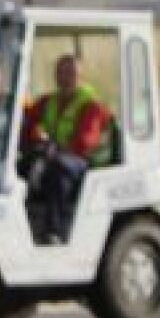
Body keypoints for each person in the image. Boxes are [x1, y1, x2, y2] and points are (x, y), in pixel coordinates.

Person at [20, 54, 114, 242]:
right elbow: (27, 120)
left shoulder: (92, 106)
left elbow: (85, 143)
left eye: (70, 73)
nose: (64, 78)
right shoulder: (49, 101)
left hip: (82, 160)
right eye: (60, 73)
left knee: (58, 172)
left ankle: (55, 231)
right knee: (21, 166)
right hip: (54, 156)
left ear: (80, 76)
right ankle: (21, 227)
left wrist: (53, 150)